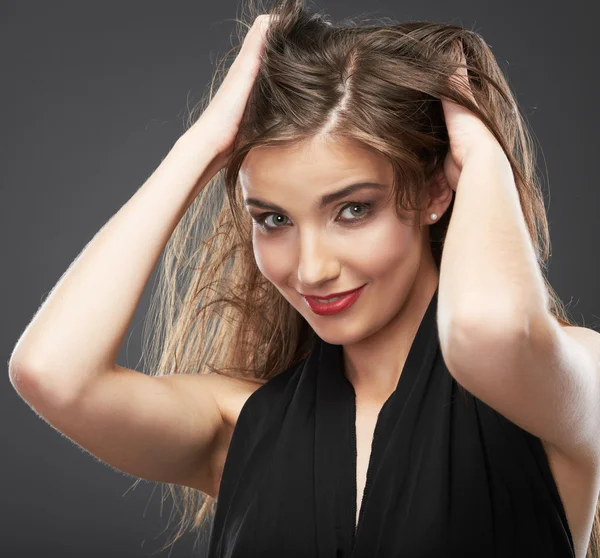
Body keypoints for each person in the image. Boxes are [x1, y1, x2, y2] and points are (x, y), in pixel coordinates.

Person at [8, 0, 600, 556]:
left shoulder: (574, 380)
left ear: (433, 192)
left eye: (352, 209)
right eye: (274, 219)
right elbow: (52, 372)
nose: (311, 269)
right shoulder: (242, 424)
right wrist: (205, 145)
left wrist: (481, 154)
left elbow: (488, 332)